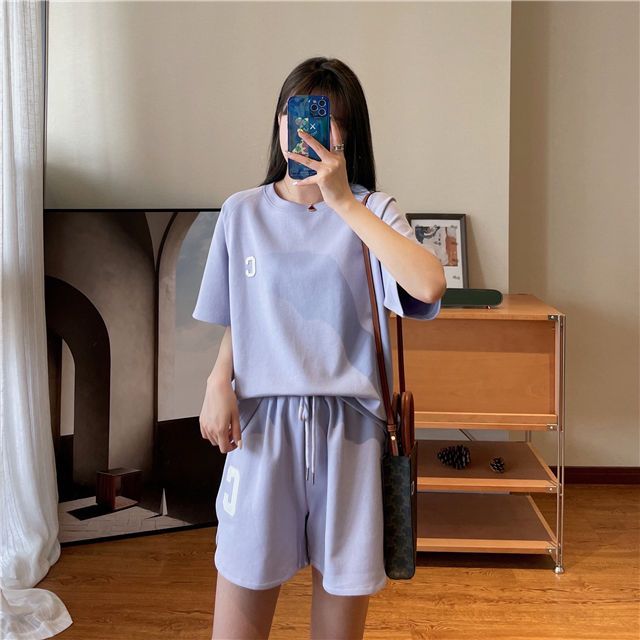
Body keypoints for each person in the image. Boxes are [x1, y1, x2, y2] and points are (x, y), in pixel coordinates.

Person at [193, 57, 446, 640]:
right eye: (296, 111)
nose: (304, 127)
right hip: (261, 432)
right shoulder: (242, 212)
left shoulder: (372, 211)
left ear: (346, 135)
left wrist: (343, 203)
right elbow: (242, 315)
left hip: (350, 435)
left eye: (326, 118)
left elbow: (429, 285)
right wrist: (216, 381)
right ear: (280, 121)